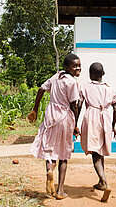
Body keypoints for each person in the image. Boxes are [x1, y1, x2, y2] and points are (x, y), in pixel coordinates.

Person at [27, 54, 82, 200]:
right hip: (64, 117)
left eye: (79, 65)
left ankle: (49, 170)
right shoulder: (72, 82)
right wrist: (76, 125)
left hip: (50, 115)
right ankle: (60, 191)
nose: (78, 68)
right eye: (75, 66)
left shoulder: (56, 77)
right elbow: (75, 105)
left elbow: (41, 90)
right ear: (66, 67)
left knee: (50, 148)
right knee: (63, 154)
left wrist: (35, 109)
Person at [79, 62, 116, 202]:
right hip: (106, 118)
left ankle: (105, 181)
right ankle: (101, 182)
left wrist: (74, 122)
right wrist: (113, 126)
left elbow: (79, 105)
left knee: (95, 154)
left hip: (92, 117)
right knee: (100, 151)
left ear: (90, 74)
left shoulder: (85, 86)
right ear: (103, 74)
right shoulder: (110, 89)